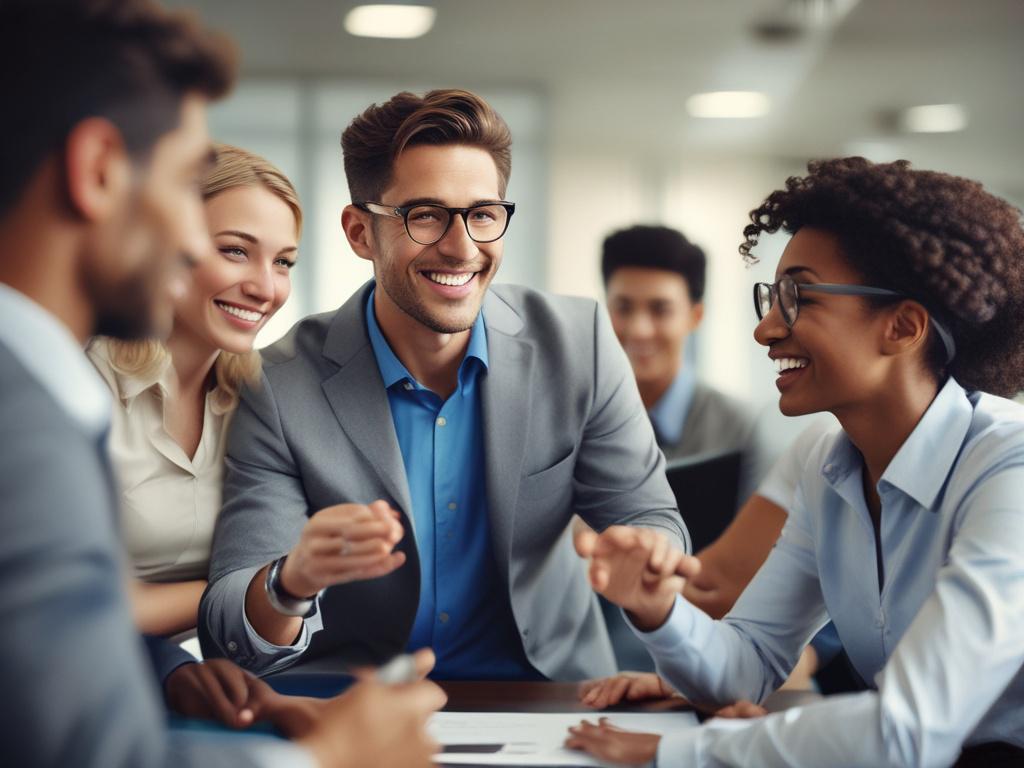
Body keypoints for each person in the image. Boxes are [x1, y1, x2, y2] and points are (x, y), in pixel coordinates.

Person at [0, 1, 443, 766]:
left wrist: (183, 673)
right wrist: (329, 759)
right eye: (180, 188)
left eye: (283, 261)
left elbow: (51, 652)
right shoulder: (33, 417)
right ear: (98, 170)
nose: (182, 238)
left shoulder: (270, 401)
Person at [200, 88, 688, 681]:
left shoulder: (578, 343)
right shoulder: (279, 384)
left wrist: (650, 552)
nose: (461, 248)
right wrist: (289, 582)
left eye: (483, 215)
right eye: (425, 216)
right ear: (359, 233)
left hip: (551, 696)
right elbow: (229, 627)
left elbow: (651, 517)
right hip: (357, 708)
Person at [569, 157, 1024, 767]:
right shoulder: (826, 460)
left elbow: (908, 728)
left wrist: (681, 754)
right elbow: (749, 663)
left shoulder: (1008, 468)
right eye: (772, 296)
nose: (765, 330)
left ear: (903, 326)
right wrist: (656, 609)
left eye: (798, 297)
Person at [88, 144, 304, 639]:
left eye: (284, 262)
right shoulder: (83, 383)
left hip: (177, 678)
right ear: (168, 242)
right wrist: (248, 593)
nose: (264, 287)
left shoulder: (261, 404)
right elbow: (68, 601)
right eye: (235, 251)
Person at [602, 224, 772, 502]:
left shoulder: (742, 429)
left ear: (695, 316)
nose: (639, 329)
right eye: (623, 308)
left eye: (660, 309)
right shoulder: (579, 421)